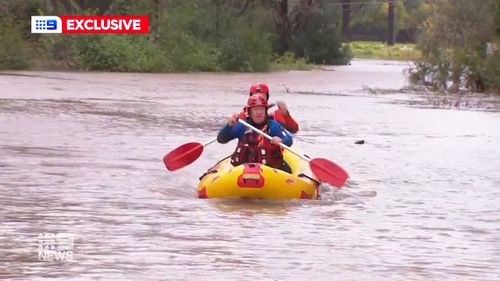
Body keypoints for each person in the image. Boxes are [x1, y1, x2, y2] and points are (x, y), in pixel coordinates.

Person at [218, 94, 293, 173]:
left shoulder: (273, 126)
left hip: (270, 172)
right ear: (250, 112)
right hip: (243, 171)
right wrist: (228, 126)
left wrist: (281, 141)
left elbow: (289, 140)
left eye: (262, 109)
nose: (259, 112)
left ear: (265, 110)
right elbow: (221, 139)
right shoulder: (242, 126)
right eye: (256, 109)